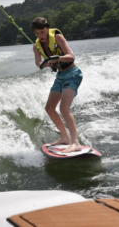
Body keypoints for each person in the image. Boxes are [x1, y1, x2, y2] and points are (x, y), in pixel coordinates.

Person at [31, 17, 83, 153]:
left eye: (42, 32)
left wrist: (57, 58)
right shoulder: (36, 45)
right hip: (60, 76)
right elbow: (38, 63)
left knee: (64, 108)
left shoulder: (57, 37)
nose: (40, 36)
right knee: (49, 108)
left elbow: (70, 56)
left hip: (72, 73)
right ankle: (65, 137)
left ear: (48, 28)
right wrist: (43, 64)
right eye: (36, 33)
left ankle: (75, 142)